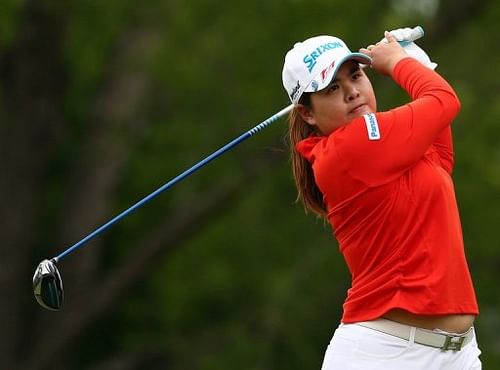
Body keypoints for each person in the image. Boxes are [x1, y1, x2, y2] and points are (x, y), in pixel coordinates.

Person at [281, 28, 481, 369]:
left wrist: (420, 64)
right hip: (384, 355)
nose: (352, 92)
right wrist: (398, 62)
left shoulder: (382, 145)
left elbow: (441, 159)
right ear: (307, 114)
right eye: (332, 88)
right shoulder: (352, 145)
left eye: (356, 75)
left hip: (457, 354)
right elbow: (444, 101)